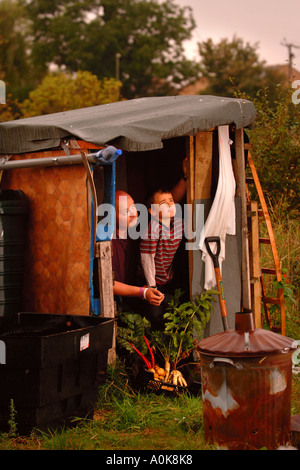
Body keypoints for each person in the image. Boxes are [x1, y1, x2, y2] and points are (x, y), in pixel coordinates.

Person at [139, 188, 184, 329]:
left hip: (168, 278)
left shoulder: (178, 224)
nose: (170, 205)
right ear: (152, 211)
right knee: (156, 317)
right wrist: (152, 287)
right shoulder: (153, 229)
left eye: (171, 201)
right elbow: (147, 259)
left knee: (174, 311)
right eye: (163, 203)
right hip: (150, 280)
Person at [112, 190, 164, 312]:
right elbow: (108, 284)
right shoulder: (106, 241)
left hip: (136, 291)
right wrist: (143, 292)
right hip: (116, 301)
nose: (134, 214)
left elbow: (167, 205)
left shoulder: (138, 230)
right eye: (125, 212)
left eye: (134, 207)